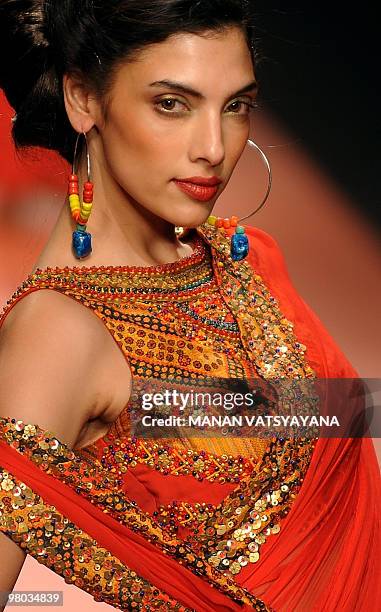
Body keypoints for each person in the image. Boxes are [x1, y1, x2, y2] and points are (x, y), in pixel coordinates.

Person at [0, 1, 380, 611]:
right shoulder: (62, 332)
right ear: (83, 99)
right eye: (171, 104)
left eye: (235, 106)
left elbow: (317, 423)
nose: (213, 147)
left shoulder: (241, 259)